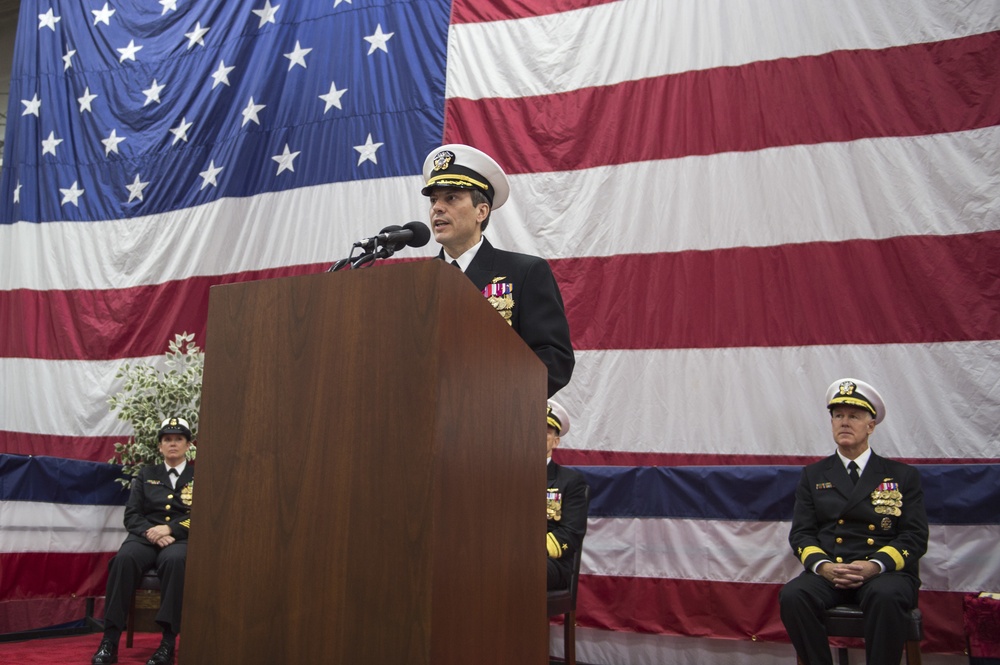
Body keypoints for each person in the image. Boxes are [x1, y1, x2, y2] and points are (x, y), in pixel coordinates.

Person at [779, 379, 929, 665]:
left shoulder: (901, 475)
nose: (844, 422)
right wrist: (824, 567)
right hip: (832, 570)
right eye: (838, 416)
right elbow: (802, 534)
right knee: (793, 595)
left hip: (885, 573)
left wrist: (875, 565)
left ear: (871, 425)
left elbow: (914, 536)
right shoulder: (813, 475)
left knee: (885, 595)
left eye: (854, 416)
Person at [421, 144, 575, 397]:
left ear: (481, 211)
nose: (437, 207)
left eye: (451, 198)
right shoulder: (419, 281)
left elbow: (554, 360)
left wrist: (496, 397)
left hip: (495, 423)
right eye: (433, 200)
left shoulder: (524, 273)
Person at [92, 417, 195, 665]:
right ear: (159, 446)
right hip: (145, 537)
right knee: (123, 560)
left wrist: (169, 528)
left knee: (175, 562)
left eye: (178, 439)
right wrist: (152, 532)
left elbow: (201, 515)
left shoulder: (199, 475)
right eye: (167, 439)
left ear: (188, 445)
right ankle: (110, 640)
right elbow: (132, 515)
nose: (172, 444)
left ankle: (167, 644)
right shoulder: (146, 474)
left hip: (180, 538)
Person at [545, 400, 589, 590]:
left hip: (550, 562)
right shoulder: (504, 477)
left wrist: (527, 550)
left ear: (556, 441)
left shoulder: (570, 482)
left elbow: (571, 533)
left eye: (545, 431)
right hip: (505, 555)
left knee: (518, 568)